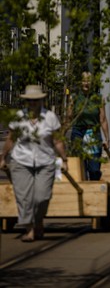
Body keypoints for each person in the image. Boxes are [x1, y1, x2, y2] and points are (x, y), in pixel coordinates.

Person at [0, 85, 69, 242]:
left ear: (41, 101)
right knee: (24, 197)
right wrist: (3, 157)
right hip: (21, 161)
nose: (32, 103)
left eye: (35, 101)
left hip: (45, 162)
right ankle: (29, 229)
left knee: (41, 197)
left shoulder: (50, 117)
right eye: (30, 101)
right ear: (26, 102)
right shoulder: (19, 117)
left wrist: (64, 159)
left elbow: (57, 140)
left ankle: (38, 221)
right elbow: (10, 138)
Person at [67, 71, 110, 180]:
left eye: (89, 81)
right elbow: (68, 117)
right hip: (78, 133)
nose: (86, 83)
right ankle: (84, 192)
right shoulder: (75, 97)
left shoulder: (98, 98)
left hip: (93, 134)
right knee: (80, 166)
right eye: (84, 80)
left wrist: (107, 138)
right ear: (80, 82)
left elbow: (103, 119)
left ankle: (95, 186)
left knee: (94, 168)